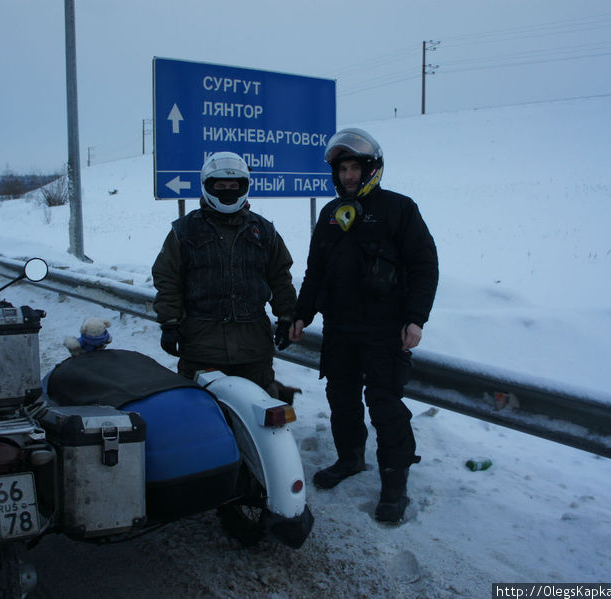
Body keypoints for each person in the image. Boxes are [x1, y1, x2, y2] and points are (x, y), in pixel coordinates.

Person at [289, 128, 439, 523]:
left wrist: (416, 319)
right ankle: (350, 458)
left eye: (355, 167)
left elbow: (425, 265)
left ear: (371, 168)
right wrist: (301, 314)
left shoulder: (399, 209)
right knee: (342, 398)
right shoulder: (329, 215)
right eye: (343, 169)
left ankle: (395, 482)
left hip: (385, 329)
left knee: (384, 404)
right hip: (340, 329)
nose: (349, 176)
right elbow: (315, 272)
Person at [152, 151, 298, 399]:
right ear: (208, 186)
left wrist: (286, 317)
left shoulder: (263, 231)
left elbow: (280, 277)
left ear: (244, 187)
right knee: (202, 420)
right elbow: (168, 278)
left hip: (253, 348)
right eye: (220, 185)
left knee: (257, 417)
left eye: (234, 185)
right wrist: (169, 322)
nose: (228, 190)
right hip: (201, 348)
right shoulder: (184, 231)